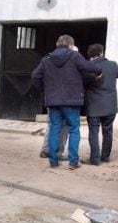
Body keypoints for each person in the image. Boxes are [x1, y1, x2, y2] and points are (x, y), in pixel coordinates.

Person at [32, 35, 101, 169]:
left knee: (54, 129)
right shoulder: (75, 56)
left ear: (58, 44)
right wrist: (98, 71)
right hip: (72, 101)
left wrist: (45, 91)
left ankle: (53, 161)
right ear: (70, 45)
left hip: (53, 101)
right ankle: (73, 162)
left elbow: (35, 76)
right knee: (74, 130)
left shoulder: (47, 58)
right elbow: (92, 68)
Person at [83, 44, 118, 166]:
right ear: (102, 53)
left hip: (94, 106)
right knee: (108, 131)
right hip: (110, 106)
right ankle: (105, 157)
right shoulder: (112, 65)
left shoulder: (88, 67)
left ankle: (94, 159)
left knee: (93, 132)